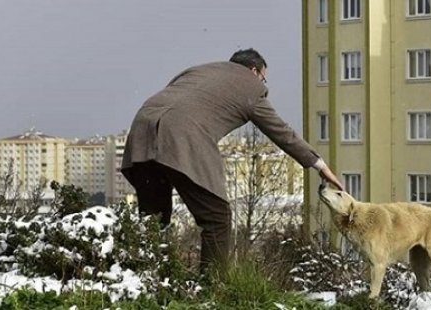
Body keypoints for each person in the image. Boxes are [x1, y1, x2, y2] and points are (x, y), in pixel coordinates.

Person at [121, 48, 344, 272]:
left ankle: (142, 280)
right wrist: (319, 164)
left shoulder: (199, 70)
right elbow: (282, 132)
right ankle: (212, 289)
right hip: (181, 135)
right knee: (216, 217)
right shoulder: (250, 86)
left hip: (142, 131)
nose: (263, 83)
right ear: (254, 70)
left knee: (153, 219)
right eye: (263, 78)